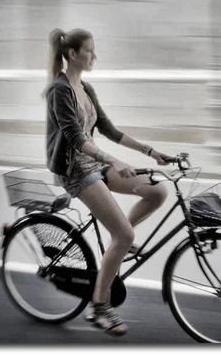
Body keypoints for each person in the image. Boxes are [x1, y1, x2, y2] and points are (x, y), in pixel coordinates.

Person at [44, 28, 170, 336]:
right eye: (89, 51)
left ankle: (119, 243)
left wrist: (150, 151)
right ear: (72, 54)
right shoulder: (59, 90)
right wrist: (113, 160)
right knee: (124, 234)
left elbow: (109, 130)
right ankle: (98, 307)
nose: (94, 56)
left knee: (157, 191)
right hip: (75, 170)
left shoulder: (85, 88)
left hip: (94, 164)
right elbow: (74, 139)